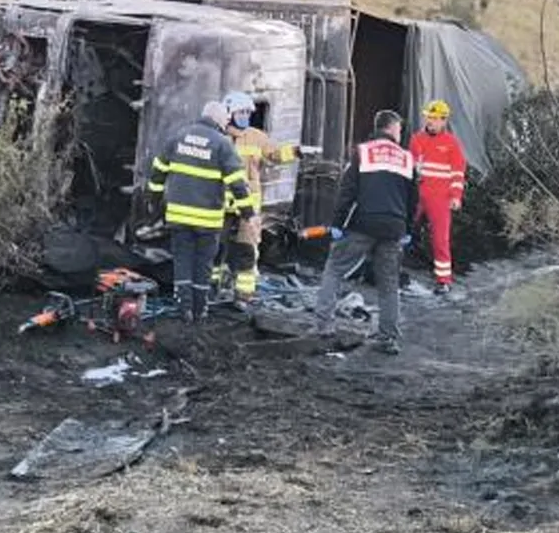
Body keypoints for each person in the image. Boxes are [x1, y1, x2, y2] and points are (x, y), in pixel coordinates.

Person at [312, 109, 419, 355]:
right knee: (389, 283)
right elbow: (414, 199)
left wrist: (338, 224)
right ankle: (388, 338)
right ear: (392, 129)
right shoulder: (406, 158)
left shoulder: (362, 152)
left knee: (335, 269)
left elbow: (347, 192)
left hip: (363, 224)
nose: (400, 134)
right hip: (394, 227)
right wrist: (409, 230)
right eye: (400, 130)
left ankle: (323, 326)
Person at [147, 101, 255, 323]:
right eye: (226, 118)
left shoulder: (178, 137)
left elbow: (157, 173)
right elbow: (237, 183)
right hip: (208, 219)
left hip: (178, 216)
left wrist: (154, 204)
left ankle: (183, 308)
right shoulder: (222, 144)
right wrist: (248, 213)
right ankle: (200, 309)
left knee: (182, 260)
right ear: (216, 119)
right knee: (204, 263)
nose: (228, 122)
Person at [212, 91, 302, 306]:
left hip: (248, 206)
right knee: (213, 248)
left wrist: (296, 152)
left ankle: (243, 296)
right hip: (218, 203)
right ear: (229, 113)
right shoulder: (216, 135)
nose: (245, 116)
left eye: (247, 112)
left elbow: (275, 154)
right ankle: (210, 289)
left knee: (247, 249)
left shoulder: (256, 136)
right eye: (240, 112)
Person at [408, 99, 467, 295]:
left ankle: (443, 280)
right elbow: (410, 166)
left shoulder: (452, 143)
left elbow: (458, 172)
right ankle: (391, 271)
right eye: (428, 117)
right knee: (402, 231)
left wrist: (456, 196)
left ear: (444, 121)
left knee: (440, 239)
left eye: (434, 118)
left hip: (440, 199)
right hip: (417, 194)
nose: (430, 121)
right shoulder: (416, 139)